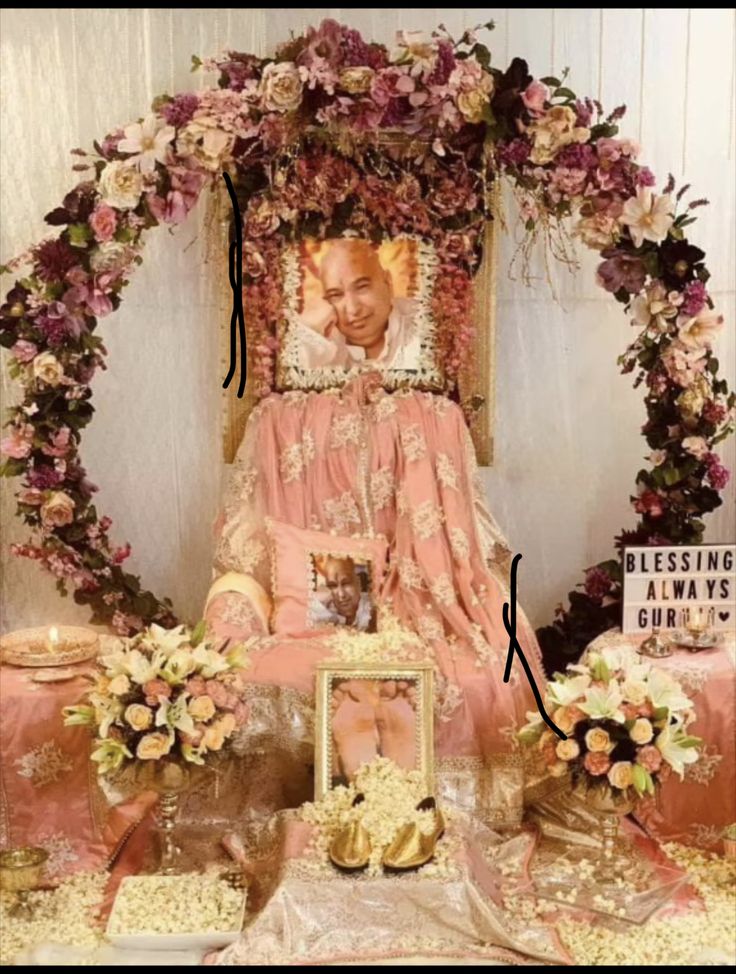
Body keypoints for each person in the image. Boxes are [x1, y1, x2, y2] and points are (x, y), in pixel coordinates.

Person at [295, 238, 422, 372]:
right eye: (336, 295)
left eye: (362, 287)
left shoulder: (424, 326)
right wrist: (310, 330)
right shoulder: (318, 341)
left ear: (388, 282)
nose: (353, 309)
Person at [310, 554, 376, 632]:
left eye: (346, 583)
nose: (341, 595)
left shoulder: (373, 609)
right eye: (333, 586)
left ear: (358, 583)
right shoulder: (323, 610)